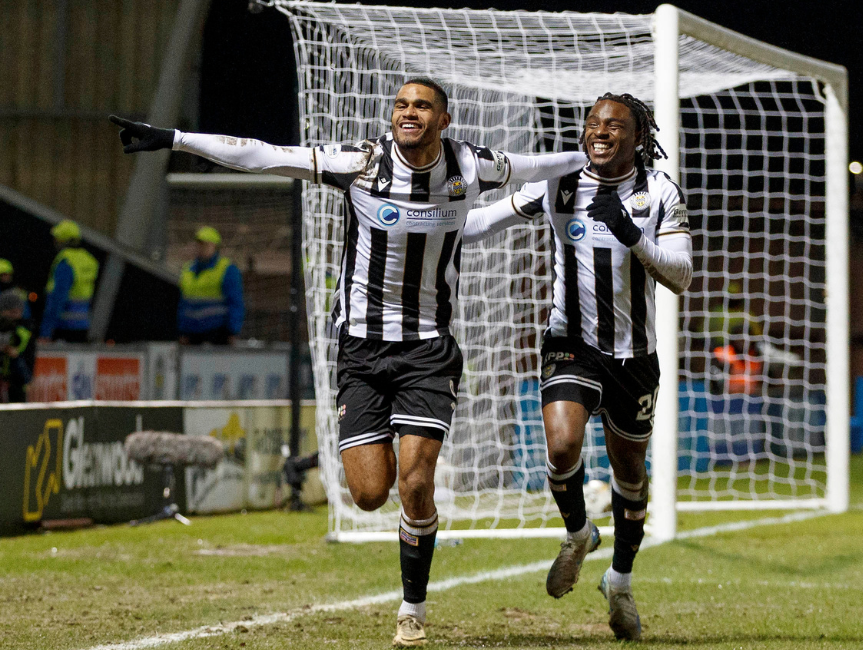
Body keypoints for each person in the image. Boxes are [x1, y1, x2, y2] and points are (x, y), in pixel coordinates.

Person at [113, 77, 587, 647]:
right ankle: (407, 515)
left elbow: (541, 165)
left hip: (428, 351)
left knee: (416, 482)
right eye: (402, 105)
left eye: (422, 107)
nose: (409, 113)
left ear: (444, 120)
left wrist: (595, 154)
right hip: (361, 351)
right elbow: (263, 155)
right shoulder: (361, 164)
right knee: (369, 493)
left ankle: (412, 608)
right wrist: (174, 137)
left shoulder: (473, 166)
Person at [464, 92, 691, 641]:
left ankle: (619, 580)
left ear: (638, 138)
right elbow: (481, 224)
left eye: (615, 124)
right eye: (593, 122)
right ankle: (578, 532)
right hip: (570, 342)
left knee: (629, 471)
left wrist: (631, 233)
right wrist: (426, 218)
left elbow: (681, 274)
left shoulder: (659, 191)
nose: (600, 131)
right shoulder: (558, 181)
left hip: (635, 356)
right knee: (562, 446)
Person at [178, 226, 245, 345]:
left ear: (215, 246)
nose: (201, 248)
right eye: (199, 244)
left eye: (205, 244)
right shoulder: (188, 269)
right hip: (192, 333)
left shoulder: (227, 270)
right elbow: (184, 304)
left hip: (217, 332)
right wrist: (183, 331)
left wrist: (233, 331)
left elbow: (235, 302)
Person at [39, 220, 99, 343]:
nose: (55, 241)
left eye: (57, 238)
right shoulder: (89, 259)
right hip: (82, 324)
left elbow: (58, 297)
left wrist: (46, 331)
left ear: (64, 240)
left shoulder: (66, 261)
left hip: (62, 326)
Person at [0, 291, 34, 403]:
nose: (15, 317)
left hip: (17, 389)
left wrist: (15, 356)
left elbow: (27, 375)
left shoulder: (24, 334)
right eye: (11, 312)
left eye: (18, 312)